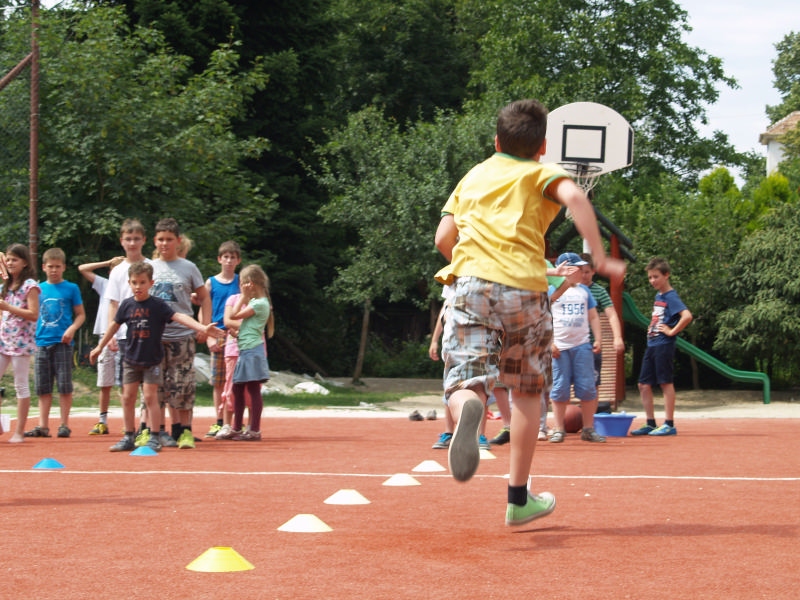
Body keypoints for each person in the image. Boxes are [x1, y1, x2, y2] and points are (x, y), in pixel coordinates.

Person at [433, 99, 626, 526]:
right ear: (543, 147)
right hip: (524, 287)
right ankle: (518, 499)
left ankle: (468, 409)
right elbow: (575, 196)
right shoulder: (541, 172)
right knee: (525, 390)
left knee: (464, 379)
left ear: (496, 141)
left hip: (471, 283)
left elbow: (443, 236)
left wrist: (469, 265)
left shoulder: (473, 175)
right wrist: (598, 256)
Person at [89, 261, 224, 452]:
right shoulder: (127, 305)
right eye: (134, 282)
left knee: (150, 396)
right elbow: (114, 325)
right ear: (129, 283)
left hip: (152, 360)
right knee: (127, 397)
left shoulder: (158, 305)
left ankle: (154, 436)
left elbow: (179, 317)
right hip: (131, 359)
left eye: (142, 282)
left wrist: (202, 328)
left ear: (151, 283)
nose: (138, 286)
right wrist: (99, 347)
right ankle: (128, 436)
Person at [150, 218, 211, 449]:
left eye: (169, 239)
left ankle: (184, 431)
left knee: (183, 384)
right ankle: (158, 431)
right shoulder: (149, 266)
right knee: (157, 386)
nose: (164, 243)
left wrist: (203, 325)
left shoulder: (188, 267)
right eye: (161, 239)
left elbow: (204, 297)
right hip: (155, 338)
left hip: (182, 336)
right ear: (155, 241)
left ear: (178, 241)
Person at [26, 248, 86, 438]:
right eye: (50, 266)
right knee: (43, 387)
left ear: (64, 267)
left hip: (63, 342)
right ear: (44, 267)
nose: (54, 270)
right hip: (41, 342)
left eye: (57, 266)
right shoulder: (37, 289)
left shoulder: (71, 288)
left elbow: (81, 314)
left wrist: (72, 329)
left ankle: (64, 424)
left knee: (64, 385)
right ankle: (43, 426)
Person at [547, 252, 606, 444]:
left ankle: (588, 429)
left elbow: (593, 316)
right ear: (567, 269)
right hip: (560, 349)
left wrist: (598, 339)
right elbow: (544, 318)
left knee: (588, 388)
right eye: (578, 268)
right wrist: (550, 343)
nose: (582, 272)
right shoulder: (551, 291)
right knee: (559, 389)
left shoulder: (584, 291)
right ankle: (558, 429)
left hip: (582, 346)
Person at [632, 257, 693, 436]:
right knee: (643, 384)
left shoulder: (670, 296)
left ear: (666, 275)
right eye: (650, 277)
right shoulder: (658, 295)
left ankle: (669, 424)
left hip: (663, 344)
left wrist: (672, 331)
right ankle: (650, 422)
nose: (652, 281)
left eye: (656, 277)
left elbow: (687, 316)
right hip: (652, 343)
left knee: (665, 382)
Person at [222, 264, 273, 441]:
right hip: (246, 349)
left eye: (244, 283)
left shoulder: (259, 303)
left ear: (251, 283)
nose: (242, 286)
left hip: (252, 350)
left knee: (252, 388)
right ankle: (237, 427)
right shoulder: (256, 302)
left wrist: (243, 296)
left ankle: (254, 430)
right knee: (237, 388)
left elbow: (233, 316)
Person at [78, 255, 125, 435]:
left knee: (124, 384)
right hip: (105, 338)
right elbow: (83, 268)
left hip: (124, 338)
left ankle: (127, 422)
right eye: (113, 270)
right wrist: (107, 262)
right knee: (104, 383)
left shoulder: (130, 286)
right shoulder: (105, 284)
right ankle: (102, 421)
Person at [0, 245, 40, 443]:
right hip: (3, 340)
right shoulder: (6, 285)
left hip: (21, 343)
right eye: (8, 259)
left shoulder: (30, 285)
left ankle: (19, 432)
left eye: (14, 259)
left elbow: (33, 314)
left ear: (25, 263)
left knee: (21, 385)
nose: (10, 263)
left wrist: (9, 307)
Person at [202, 241, 241, 438]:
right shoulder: (210, 283)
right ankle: (218, 421)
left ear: (238, 260)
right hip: (217, 333)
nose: (229, 261)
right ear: (219, 259)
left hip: (236, 335)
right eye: (226, 257)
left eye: (233, 257)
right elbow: (204, 309)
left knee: (236, 381)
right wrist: (208, 336)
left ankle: (235, 422)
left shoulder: (241, 282)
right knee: (218, 381)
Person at [579, 252, 625, 389]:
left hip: (592, 342)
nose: (583, 275)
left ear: (593, 271)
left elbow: (612, 315)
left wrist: (617, 337)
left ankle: (593, 403)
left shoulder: (599, 291)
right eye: (580, 272)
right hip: (572, 342)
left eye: (587, 272)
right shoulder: (568, 289)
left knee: (593, 382)